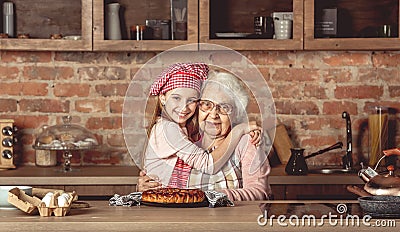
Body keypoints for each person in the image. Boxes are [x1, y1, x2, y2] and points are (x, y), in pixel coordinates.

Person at [140, 69, 272, 201]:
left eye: (224, 107)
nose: (213, 114)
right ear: (198, 107)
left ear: (236, 114)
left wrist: (214, 196)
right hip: (181, 220)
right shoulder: (187, 139)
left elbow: (260, 193)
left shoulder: (246, 142)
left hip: (227, 220)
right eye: (207, 105)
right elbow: (160, 180)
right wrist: (144, 187)